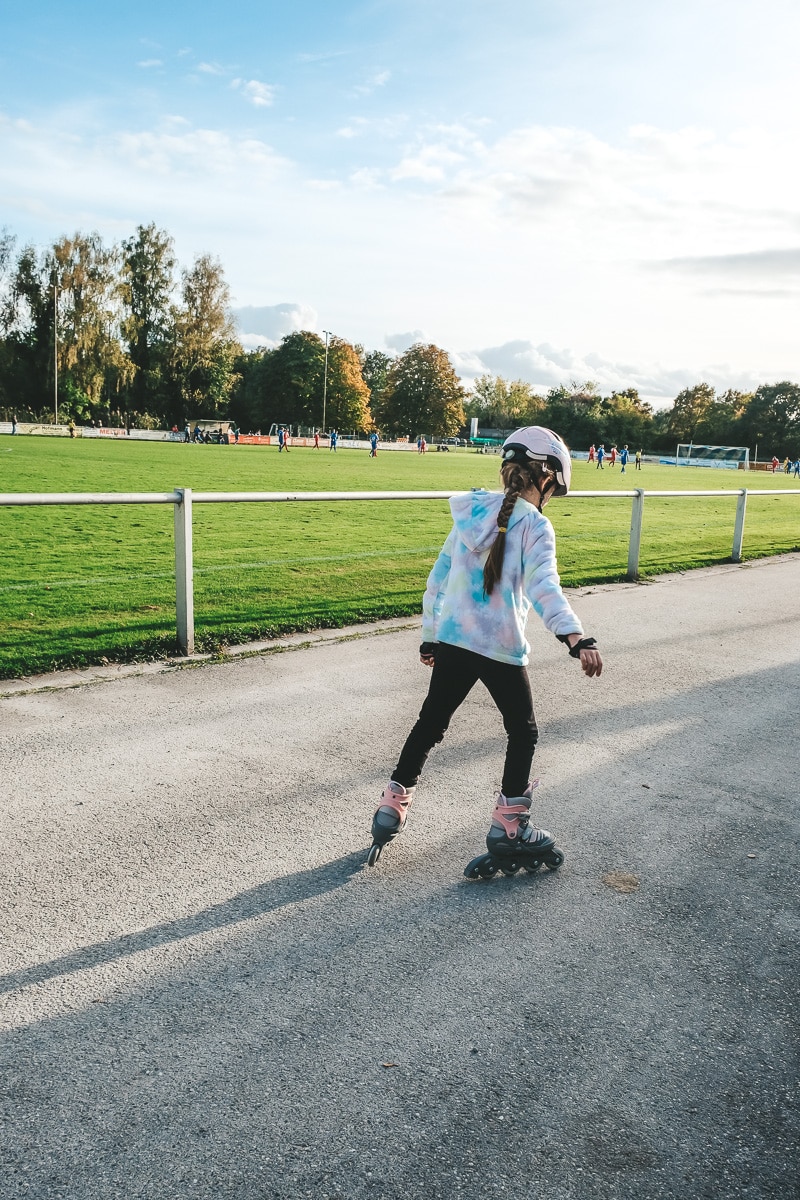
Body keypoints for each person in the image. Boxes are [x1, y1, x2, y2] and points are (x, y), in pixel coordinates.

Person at [367, 426, 603, 878]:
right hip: (499, 648)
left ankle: (390, 809)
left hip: (454, 640)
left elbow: (438, 580)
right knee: (523, 732)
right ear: (547, 478)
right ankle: (508, 829)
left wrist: (431, 636)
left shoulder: (471, 512)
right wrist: (576, 638)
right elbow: (544, 587)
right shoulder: (536, 524)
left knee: (430, 725)